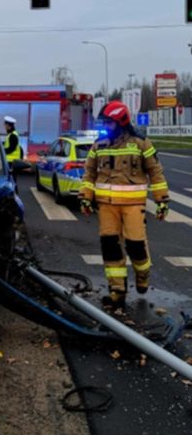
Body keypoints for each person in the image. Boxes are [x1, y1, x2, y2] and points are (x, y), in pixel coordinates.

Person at [79, 100, 169, 310]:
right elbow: (89, 173)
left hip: (132, 205)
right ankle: (117, 291)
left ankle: (142, 275)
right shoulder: (99, 145)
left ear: (121, 122)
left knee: (136, 245)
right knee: (110, 247)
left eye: (109, 123)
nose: (105, 128)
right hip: (106, 206)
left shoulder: (141, 143)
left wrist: (162, 200)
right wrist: (85, 196)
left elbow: (156, 173)